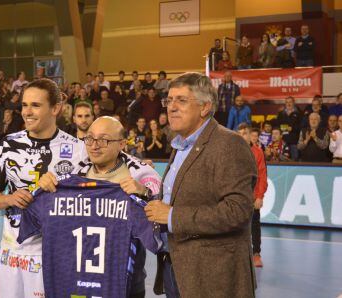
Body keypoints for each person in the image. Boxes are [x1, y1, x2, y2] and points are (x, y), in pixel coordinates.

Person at [145, 72, 257, 298]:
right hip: (176, 266)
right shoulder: (180, 146)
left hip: (212, 277)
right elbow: (181, 197)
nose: (171, 107)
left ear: (205, 107)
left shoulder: (229, 144)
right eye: (169, 100)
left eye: (181, 100)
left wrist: (171, 216)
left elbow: (238, 211)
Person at [0, 79, 87, 298]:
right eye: (24, 105)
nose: (27, 112)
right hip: (12, 253)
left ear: (55, 108)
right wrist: (9, 199)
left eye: (35, 105)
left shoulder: (78, 149)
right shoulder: (8, 144)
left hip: (52, 255)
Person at [37, 116, 162, 298]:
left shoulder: (141, 174)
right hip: (78, 280)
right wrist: (46, 184)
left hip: (124, 283)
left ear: (121, 144)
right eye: (90, 138)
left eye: (103, 140)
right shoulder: (72, 174)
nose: (94, 146)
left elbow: (163, 215)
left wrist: (145, 192)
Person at [238, 123, 267, 268]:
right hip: (236, 197)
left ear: (250, 136)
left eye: (244, 133)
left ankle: (256, 254)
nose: (241, 135)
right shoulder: (232, 152)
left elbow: (262, 175)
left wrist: (260, 196)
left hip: (253, 196)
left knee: (255, 225)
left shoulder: (258, 153)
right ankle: (239, 255)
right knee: (235, 225)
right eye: (240, 133)